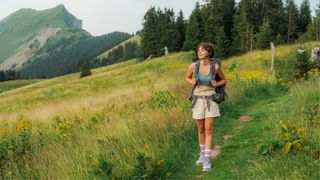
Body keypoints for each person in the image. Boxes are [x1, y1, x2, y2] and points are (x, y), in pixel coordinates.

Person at [185, 42, 226, 172]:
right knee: (201, 128)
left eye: (202, 50)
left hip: (211, 98)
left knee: (208, 129)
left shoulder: (216, 66)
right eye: (199, 50)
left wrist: (216, 82)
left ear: (209, 52)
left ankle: (207, 159)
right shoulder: (193, 66)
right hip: (197, 98)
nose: (199, 52)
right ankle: (202, 154)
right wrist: (192, 81)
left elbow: (224, 80)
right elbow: (187, 77)